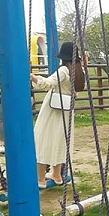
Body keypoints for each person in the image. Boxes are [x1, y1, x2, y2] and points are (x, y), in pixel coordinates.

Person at [31, 41, 78, 189]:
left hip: (53, 110)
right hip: (66, 111)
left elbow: (48, 83)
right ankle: (56, 174)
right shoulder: (78, 71)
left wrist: (33, 77)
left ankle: (40, 178)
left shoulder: (64, 70)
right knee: (59, 140)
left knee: (42, 139)